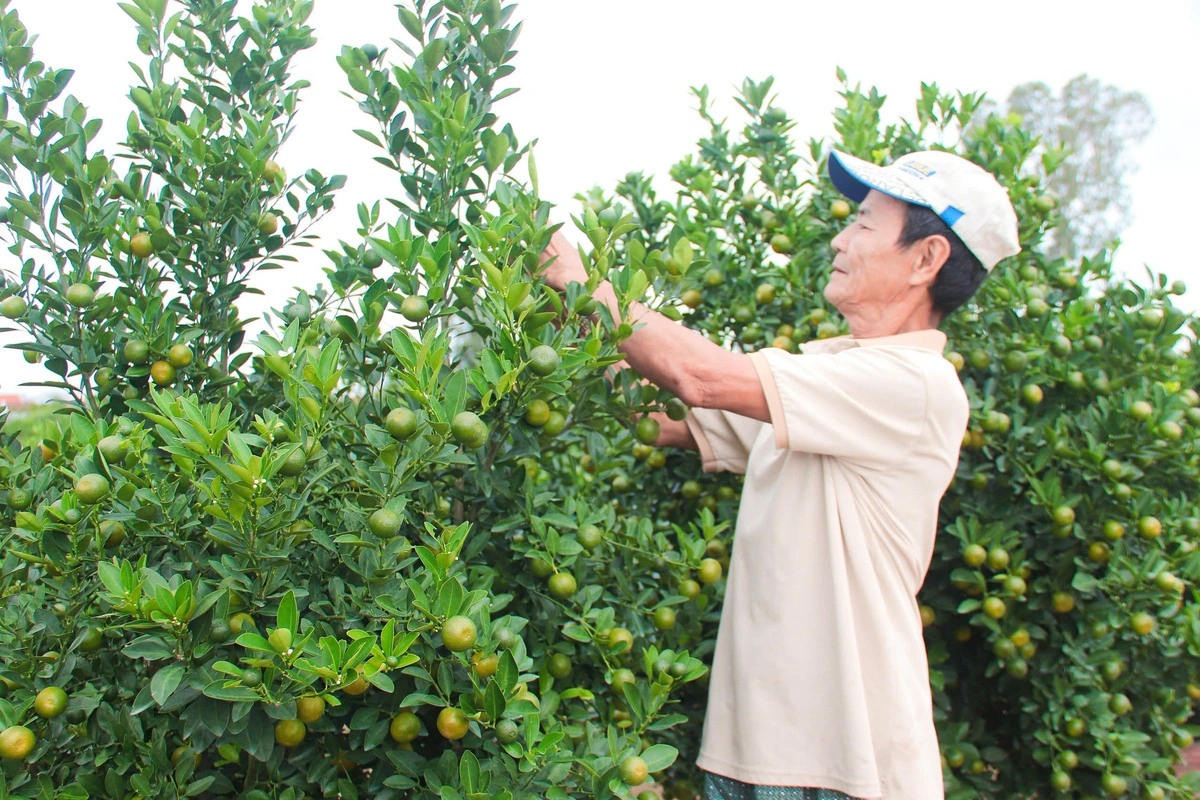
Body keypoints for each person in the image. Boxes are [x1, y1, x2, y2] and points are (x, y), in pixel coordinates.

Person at [539, 149, 1020, 800]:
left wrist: (585, 281)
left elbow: (700, 376)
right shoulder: (827, 376)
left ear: (927, 259)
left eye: (865, 225)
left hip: (847, 769)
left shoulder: (915, 384)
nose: (840, 239)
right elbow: (666, 415)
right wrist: (562, 307)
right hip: (751, 757)